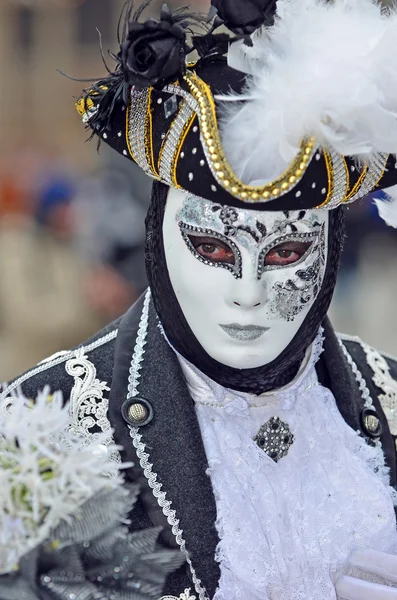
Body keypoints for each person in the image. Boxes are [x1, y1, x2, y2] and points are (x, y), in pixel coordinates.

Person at [3, 0, 397, 598]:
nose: (248, 294)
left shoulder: (389, 399)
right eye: (213, 247)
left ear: (330, 249)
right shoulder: (39, 429)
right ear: (157, 235)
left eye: (287, 254)